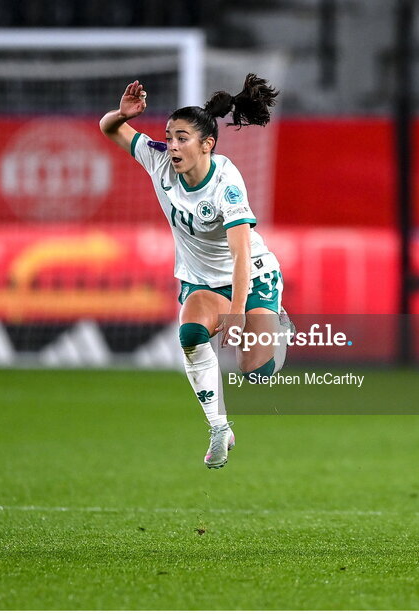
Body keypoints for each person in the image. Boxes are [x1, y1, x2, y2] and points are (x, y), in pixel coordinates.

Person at [100, 74, 290, 470]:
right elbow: (109, 129)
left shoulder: (226, 182)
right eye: (169, 136)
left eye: (182, 138)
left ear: (207, 144)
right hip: (202, 281)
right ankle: (220, 428)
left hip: (251, 277)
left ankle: (276, 326)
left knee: (254, 372)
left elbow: (240, 255)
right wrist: (123, 114)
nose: (172, 145)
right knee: (189, 333)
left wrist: (237, 314)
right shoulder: (157, 159)